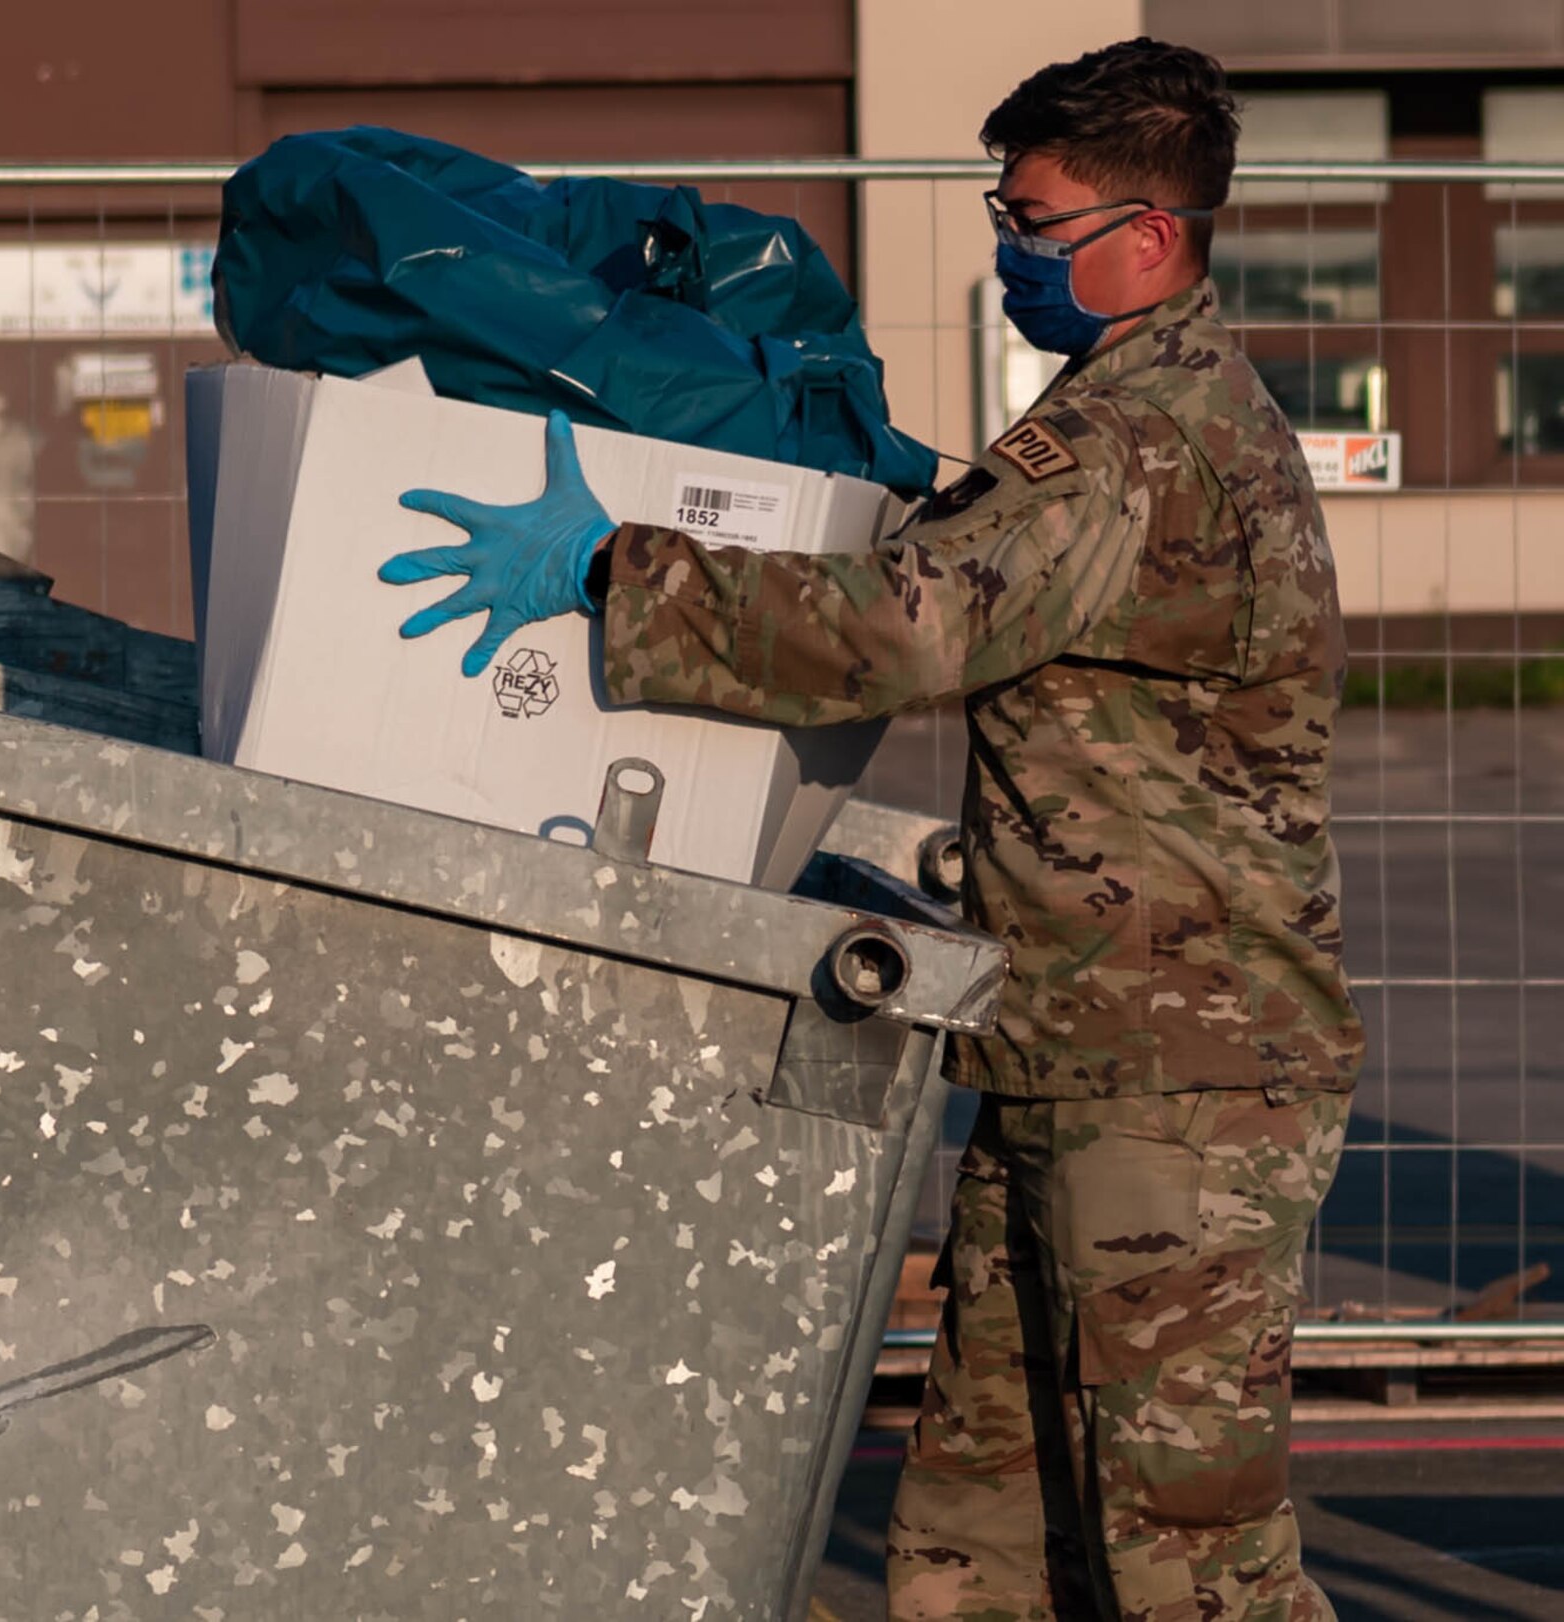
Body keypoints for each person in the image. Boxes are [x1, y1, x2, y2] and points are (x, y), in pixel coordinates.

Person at [378, 37, 1364, 1622]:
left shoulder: (1141, 438)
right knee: (983, 1540)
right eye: (1002, 210)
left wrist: (613, 570)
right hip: (1070, 1048)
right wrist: (908, 486)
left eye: (1034, 225)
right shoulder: (1113, 421)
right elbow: (996, 566)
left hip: (1178, 1089)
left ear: (1151, 238)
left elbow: (905, 631)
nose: (1006, 250)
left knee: (1190, 1566)